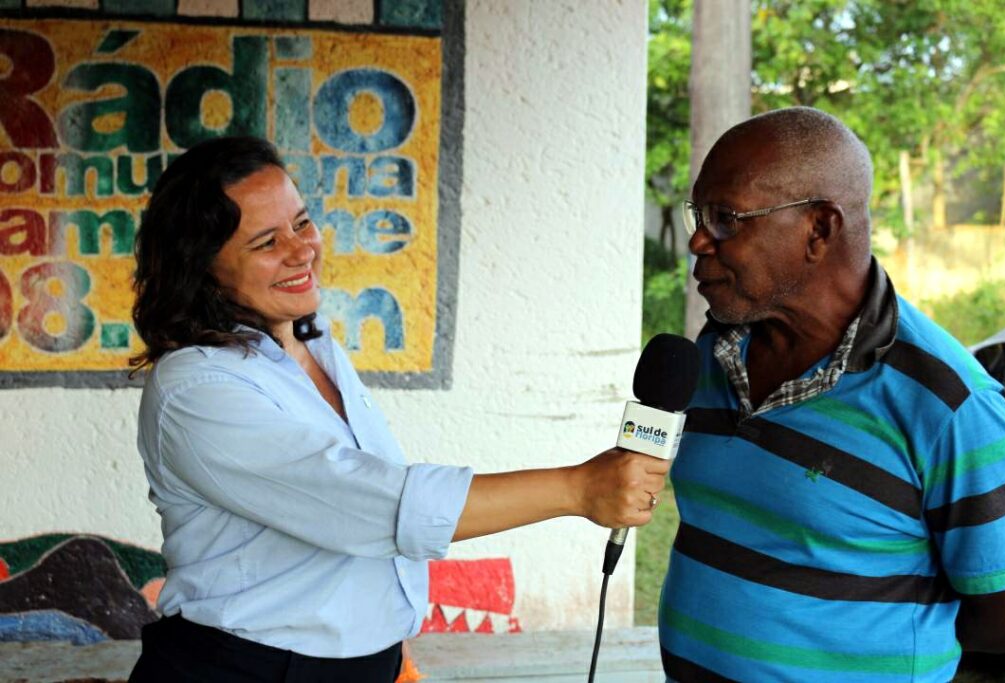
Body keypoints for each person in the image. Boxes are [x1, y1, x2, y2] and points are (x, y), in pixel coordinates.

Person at [127, 136, 668, 682]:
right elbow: (367, 506)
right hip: (245, 670)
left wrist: (385, 647)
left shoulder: (312, 347)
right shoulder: (196, 389)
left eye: (302, 222)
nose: (302, 249)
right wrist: (576, 489)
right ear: (203, 269)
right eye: (267, 242)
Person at [659, 107, 1005, 682]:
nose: (699, 240)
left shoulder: (949, 406)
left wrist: (874, 645)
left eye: (726, 218)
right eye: (697, 215)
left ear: (820, 229)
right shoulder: (712, 349)